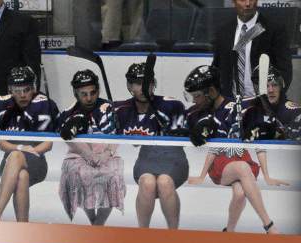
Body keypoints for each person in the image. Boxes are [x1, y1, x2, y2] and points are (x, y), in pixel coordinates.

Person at [184, 65, 289, 234]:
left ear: (211, 91)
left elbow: (273, 132)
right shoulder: (193, 115)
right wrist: (193, 132)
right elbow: (185, 137)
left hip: (239, 161)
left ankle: (229, 231)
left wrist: (266, 130)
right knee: (242, 168)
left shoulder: (243, 107)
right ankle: (269, 226)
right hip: (221, 166)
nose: (194, 101)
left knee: (240, 194)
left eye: (197, 95)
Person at [111, 62, 189, 229]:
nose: (143, 88)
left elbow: (181, 137)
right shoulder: (120, 109)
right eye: (138, 84)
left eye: (147, 83)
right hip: (146, 160)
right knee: (147, 182)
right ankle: (143, 234)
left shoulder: (171, 105)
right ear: (130, 86)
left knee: (164, 182)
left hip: (173, 159)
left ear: (154, 84)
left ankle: (173, 234)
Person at [0, 66, 59, 222]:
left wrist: (25, 152)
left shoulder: (45, 104)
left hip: (37, 162)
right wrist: (19, 148)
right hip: (8, 166)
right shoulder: (4, 105)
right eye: (17, 91)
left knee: (17, 156)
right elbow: (1, 144)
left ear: (33, 88)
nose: (22, 96)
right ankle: (22, 227)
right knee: (22, 176)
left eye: (26, 90)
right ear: (10, 90)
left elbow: (48, 144)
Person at [59, 69, 126, 226]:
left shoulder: (111, 109)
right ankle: (92, 220)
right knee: (79, 175)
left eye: (93, 92)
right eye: (84, 94)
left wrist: (107, 153)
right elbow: (68, 140)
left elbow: (119, 134)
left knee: (112, 177)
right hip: (78, 155)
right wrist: (85, 153)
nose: (89, 98)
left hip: (108, 154)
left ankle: (99, 223)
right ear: (76, 93)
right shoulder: (69, 112)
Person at [212, 0, 292, 98]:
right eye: (242, 0)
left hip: (263, 102)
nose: (248, 4)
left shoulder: (274, 29)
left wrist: (272, 98)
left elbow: (285, 70)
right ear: (233, 2)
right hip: (231, 101)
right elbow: (217, 67)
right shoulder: (223, 31)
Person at [243, 64, 301, 141]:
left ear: (280, 87)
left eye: (274, 85)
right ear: (257, 90)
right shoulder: (247, 109)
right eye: (266, 86)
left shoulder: (293, 111)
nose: (271, 90)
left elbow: (297, 133)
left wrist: (275, 132)